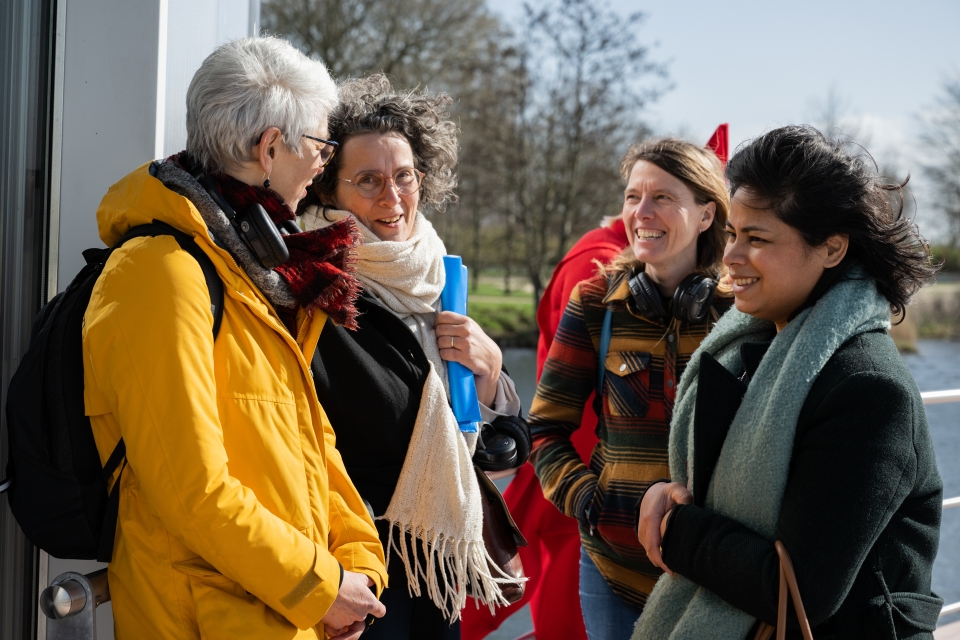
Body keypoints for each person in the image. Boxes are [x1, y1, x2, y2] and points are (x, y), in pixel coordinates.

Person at [82, 37, 387, 640]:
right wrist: (321, 588)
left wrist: (356, 561)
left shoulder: (253, 274)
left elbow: (309, 443)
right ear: (271, 147)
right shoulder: (160, 273)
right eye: (323, 147)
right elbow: (189, 490)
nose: (325, 166)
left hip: (280, 614)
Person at [634, 125, 943, 640]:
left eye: (758, 239)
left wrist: (677, 528)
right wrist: (666, 493)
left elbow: (799, 588)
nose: (731, 256)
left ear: (831, 248)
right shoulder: (752, 354)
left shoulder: (867, 388)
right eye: (733, 234)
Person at [462, 127, 730, 640]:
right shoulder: (593, 301)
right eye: (633, 197)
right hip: (609, 570)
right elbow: (544, 428)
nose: (642, 212)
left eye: (663, 198)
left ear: (706, 214)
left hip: (711, 574)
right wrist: (590, 504)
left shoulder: (740, 312)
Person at [298, 75, 523, 640]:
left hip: (439, 559)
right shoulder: (313, 286)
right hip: (357, 560)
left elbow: (503, 442)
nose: (392, 198)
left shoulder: (437, 272)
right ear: (327, 189)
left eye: (404, 177)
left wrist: (492, 377)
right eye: (368, 180)